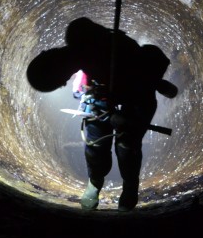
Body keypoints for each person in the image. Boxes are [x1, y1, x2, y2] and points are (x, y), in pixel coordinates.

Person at [27, 17, 178, 211]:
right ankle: (95, 181)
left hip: (136, 89)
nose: (64, 83)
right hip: (103, 91)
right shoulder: (78, 39)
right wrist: (99, 100)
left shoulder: (110, 52)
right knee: (95, 142)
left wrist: (119, 116)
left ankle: (130, 185)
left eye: (60, 80)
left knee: (127, 144)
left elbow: (141, 89)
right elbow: (88, 66)